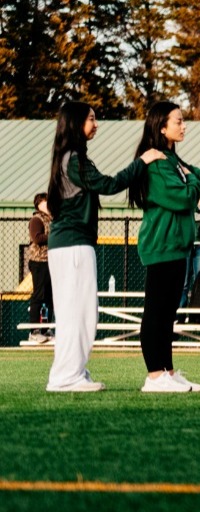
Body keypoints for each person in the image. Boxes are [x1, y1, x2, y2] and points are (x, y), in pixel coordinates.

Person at [42, 100, 143, 391]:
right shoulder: (73, 160)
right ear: (76, 124)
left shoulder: (68, 158)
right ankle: (67, 377)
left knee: (76, 312)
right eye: (91, 119)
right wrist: (141, 163)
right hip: (73, 245)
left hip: (69, 244)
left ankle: (71, 372)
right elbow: (109, 185)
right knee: (80, 313)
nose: (96, 124)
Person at [129, 100, 200, 392]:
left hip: (177, 247)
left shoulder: (173, 160)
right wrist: (193, 186)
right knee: (156, 311)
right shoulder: (157, 163)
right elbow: (184, 197)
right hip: (161, 246)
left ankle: (167, 372)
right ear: (162, 126)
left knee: (169, 312)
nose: (184, 126)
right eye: (178, 121)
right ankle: (154, 376)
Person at [25, 193, 52, 344]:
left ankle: (45, 328)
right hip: (39, 262)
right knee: (38, 295)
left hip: (50, 261)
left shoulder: (52, 219)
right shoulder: (37, 219)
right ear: (39, 204)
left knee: (49, 296)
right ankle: (34, 331)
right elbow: (37, 237)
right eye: (45, 202)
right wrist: (54, 237)